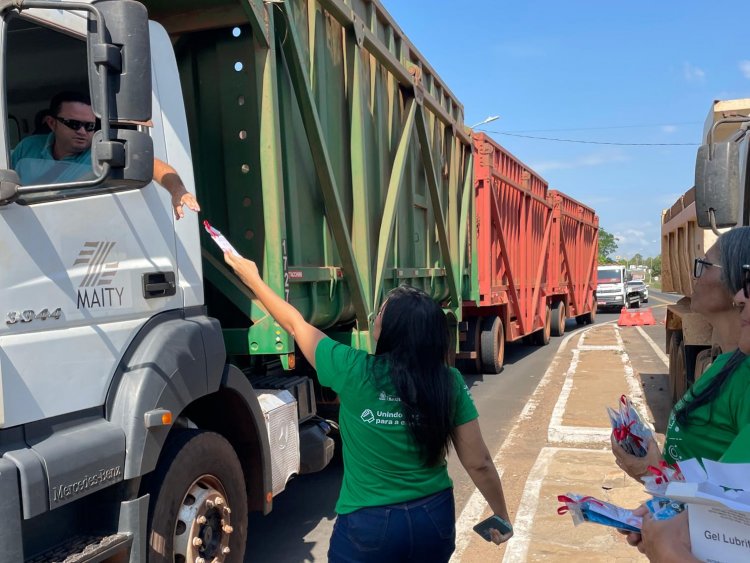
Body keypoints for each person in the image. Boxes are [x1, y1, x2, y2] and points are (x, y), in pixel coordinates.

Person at [223, 252, 512, 562]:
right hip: (433, 516)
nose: (375, 318)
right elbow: (478, 462)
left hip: (369, 525)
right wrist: (501, 516)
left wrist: (252, 278)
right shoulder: (449, 382)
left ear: (387, 331)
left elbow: (295, 324)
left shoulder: (352, 369)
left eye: (381, 313)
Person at [611, 226, 750, 480]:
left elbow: (733, 505)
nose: (694, 275)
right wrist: (655, 468)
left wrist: (654, 473)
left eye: (704, 265)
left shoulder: (745, 378)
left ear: (739, 280)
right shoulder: (725, 363)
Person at [11, 91, 199, 220]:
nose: (83, 132)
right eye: (74, 124)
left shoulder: (102, 151)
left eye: (90, 126)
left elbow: (151, 163)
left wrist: (177, 190)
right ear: (52, 123)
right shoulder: (27, 147)